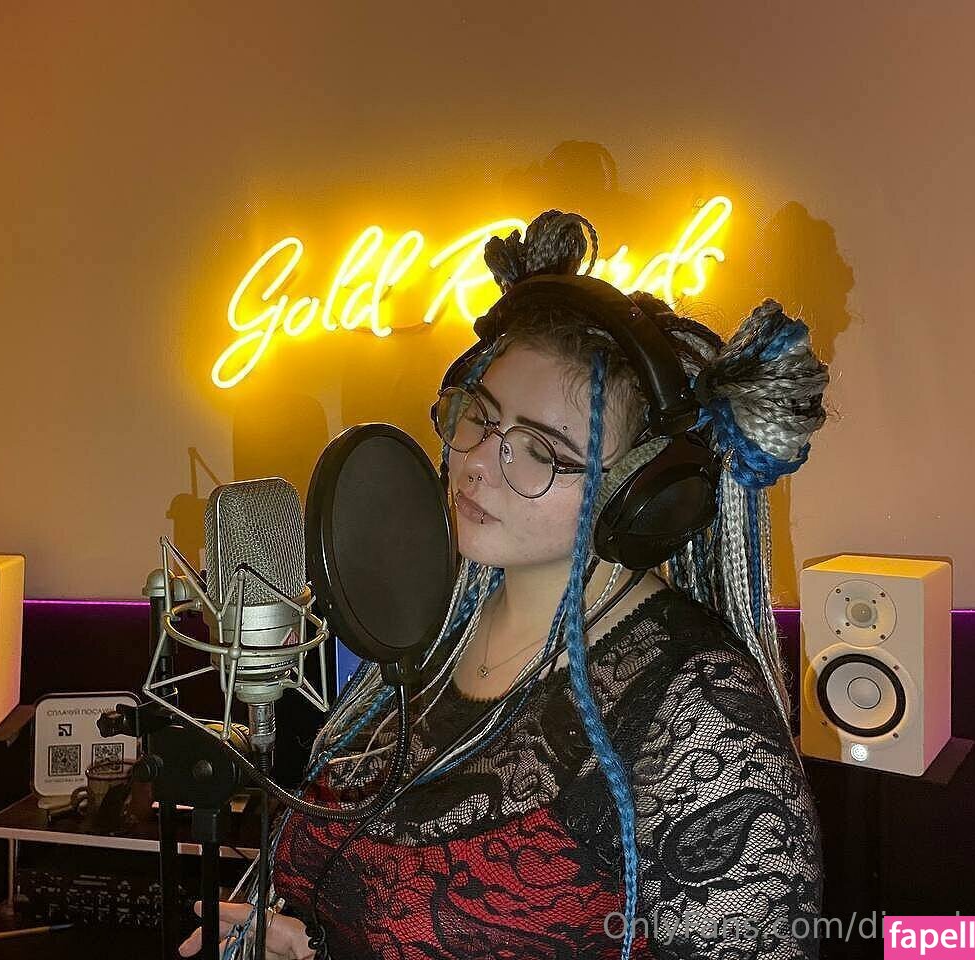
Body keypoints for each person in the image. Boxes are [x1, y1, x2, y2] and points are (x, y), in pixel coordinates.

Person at [180, 210, 830, 960]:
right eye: (479, 418)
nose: (479, 464)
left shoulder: (702, 716)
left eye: (540, 450)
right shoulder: (432, 633)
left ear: (640, 498)